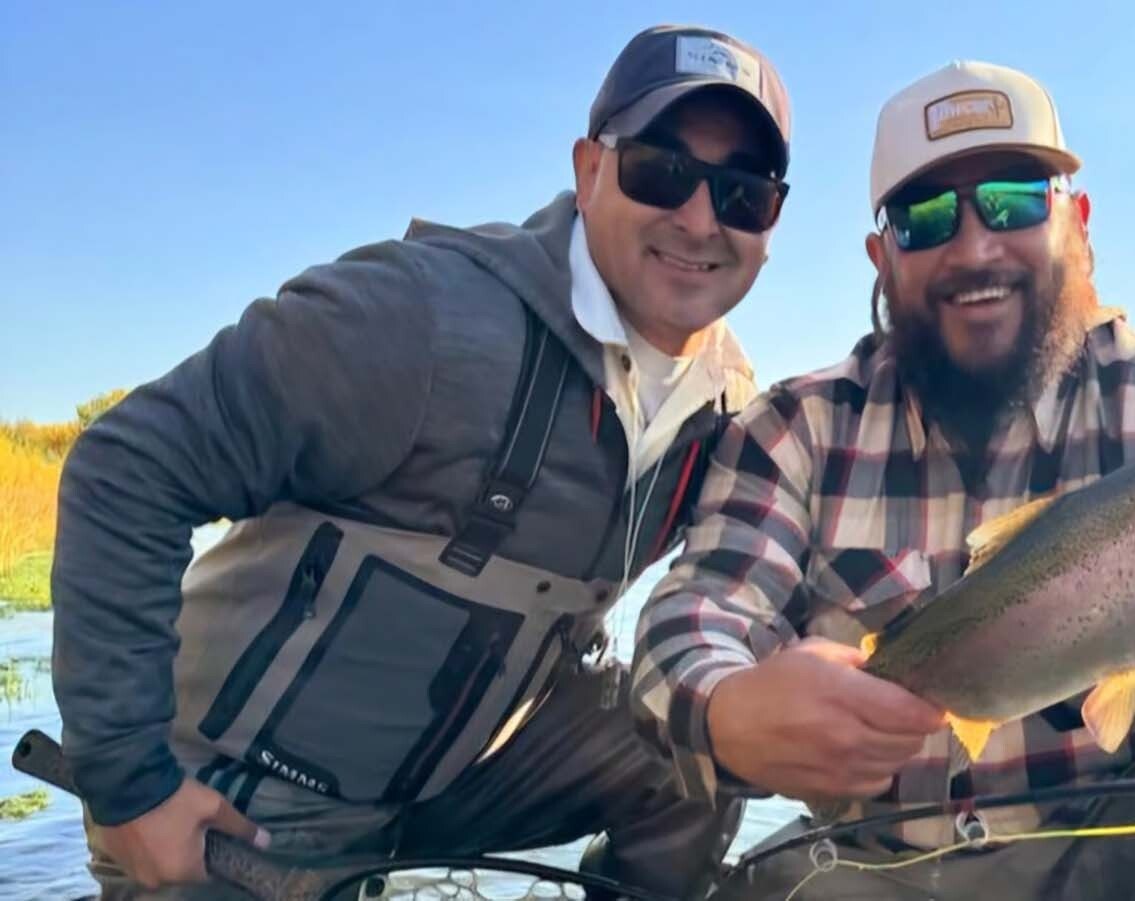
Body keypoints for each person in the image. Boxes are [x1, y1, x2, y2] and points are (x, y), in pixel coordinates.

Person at [50, 23, 792, 900]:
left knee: (708, 739)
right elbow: (125, 470)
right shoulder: (415, 319)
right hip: (235, 803)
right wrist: (130, 783)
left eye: (744, 194)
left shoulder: (731, 408)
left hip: (462, 781)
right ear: (590, 170)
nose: (701, 218)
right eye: (662, 170)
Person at [631, 60, 1135, 899]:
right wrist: (728, 711)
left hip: (1117, 853)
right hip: (873, 866)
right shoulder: (795, 428)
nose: (975, 245)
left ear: (1079, 222)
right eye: (925, 219)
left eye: (1015, 200)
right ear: (882, 258)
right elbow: (697, 615)